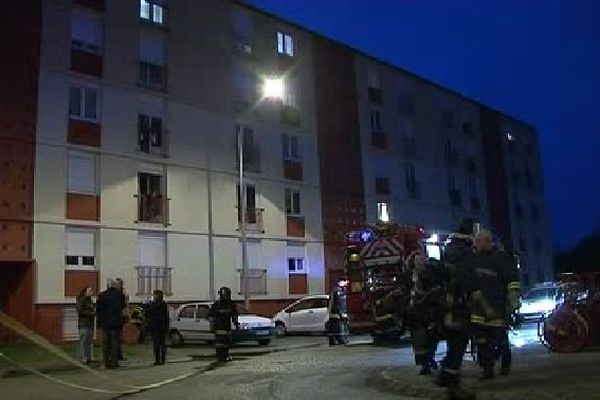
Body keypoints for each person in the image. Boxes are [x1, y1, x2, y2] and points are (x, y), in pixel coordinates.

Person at [468, 230, 520, 379]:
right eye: (475, 240)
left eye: (479, 240)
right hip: (477, 308)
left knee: (500, 338)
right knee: (481, 341)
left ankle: (505, 363)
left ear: (488, 241)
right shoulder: (474, 259)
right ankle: (487, 369)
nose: (476, 243)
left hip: (497, 306)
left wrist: (513, 296)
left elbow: (512, 279)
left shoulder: (501, 258)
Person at [437, 218, 476, 400]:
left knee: (454, 344)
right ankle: (453, 388)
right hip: (458, 305)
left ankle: (444, 377)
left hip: (446, 304)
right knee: (458, 346)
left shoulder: (449, 248)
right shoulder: (464, 251)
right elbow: (467, 279)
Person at [407, 251, 443, 375]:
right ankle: (424, 364)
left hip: (429, 310)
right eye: (417, 260)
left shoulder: (430, 275)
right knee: (418, 340)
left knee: (431, 337)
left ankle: (429, 359)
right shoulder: (408, 276)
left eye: (421, 260)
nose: (419, 263)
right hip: (415, 313)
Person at [96, 279, 126, 369]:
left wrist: (99, 323)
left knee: (106, 343)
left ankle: (106, 362)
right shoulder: (120, 295)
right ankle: (114, 362)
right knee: (115, 343)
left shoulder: (102, 295)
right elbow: (123, 306)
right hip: (116, 322)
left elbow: (99, 310)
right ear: (114, 285)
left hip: (105, 323)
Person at [209, 287, 238, 362]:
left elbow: (234, 315)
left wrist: (236, 324)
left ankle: (224, 357)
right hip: (219, 327)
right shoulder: (217, 304)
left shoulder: (231, 304)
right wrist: (211, 327)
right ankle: (220, 357)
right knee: (220, 343)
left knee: (226, 343)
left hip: (226, 327)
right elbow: (211, 316)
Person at [146, 290, 169, 365]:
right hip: (162, 326)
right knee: (162, 343)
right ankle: (163, 359)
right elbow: (166, 317)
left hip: (156, 326)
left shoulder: (154, 305)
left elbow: (148, 313)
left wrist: (148, 304)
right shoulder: (164, 304)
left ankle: (157, 360)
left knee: (156, 344)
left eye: (154, 295)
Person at [326, 278, 349, 346]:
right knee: (336, 328)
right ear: (341, 282)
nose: (346, 284)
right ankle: (337, 340)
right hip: (336, 314)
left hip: (339, 313)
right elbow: (334, 303)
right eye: (345, 282)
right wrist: (339, 312)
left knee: (339, 328)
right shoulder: (336, 291)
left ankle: (338, 340)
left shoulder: (340, 290)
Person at [76, 286, 95, 364]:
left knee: (89, 341)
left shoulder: (90, 300)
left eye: (91, 290)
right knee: (84, 341)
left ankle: (89, 357)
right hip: (84, 323)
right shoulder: (81, 300)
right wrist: (91, 313)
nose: (91, 292)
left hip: (90, 323)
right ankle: (84, 357)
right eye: (89, 290)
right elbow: (80, 310)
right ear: (85, 291)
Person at [114, 278, 129, 361]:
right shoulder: (114, 293)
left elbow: (126, 304)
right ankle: (116, 354)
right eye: (116, 284)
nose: (117, 285)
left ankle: (119, 354)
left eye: (118, 284)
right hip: (115, 316)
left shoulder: (124, 293)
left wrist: (126, 314)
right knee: (116, 337)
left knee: (119, 336)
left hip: (122, 315)